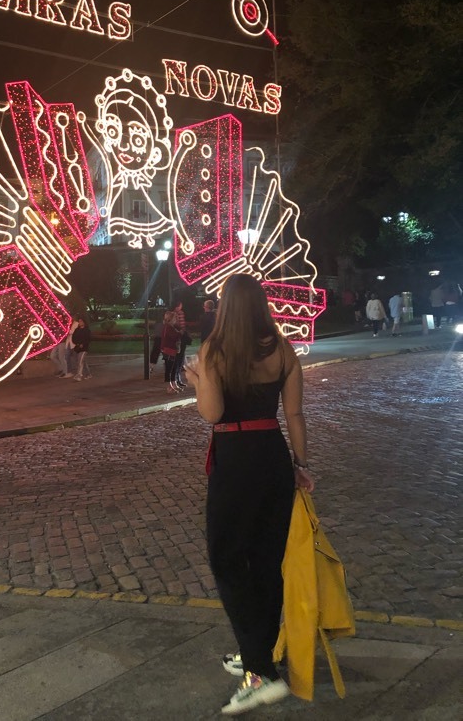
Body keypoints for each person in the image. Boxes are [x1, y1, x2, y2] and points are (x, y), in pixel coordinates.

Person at [184, 273, 314, 716]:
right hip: (273, 455)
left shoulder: (215, 351)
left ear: (226, 308)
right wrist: (301, 464)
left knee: (226, 557)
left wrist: (198, 379)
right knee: (265, 560)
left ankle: (260, 674)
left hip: (235, 457)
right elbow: (293, 413)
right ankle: (256, 647)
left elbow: (212, 413)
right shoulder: (282, 349)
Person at [160, 310, 181, 394]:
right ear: (171, 319)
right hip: (169, 350)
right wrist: (180, 333)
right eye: (174, 318)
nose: (176, 320)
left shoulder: (169, 327)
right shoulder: (168, 327)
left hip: (170, 350)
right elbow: (174, 336)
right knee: (169, 368)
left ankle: (173, 384)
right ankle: (169, 386)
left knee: (173, 367)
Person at [172, 298, 189, 388]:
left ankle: (177, 380)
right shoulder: (180, 313)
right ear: (178, 306)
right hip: (180, 337)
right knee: (179, 357)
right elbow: (182, 325)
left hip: (176, 338)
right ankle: (177, 379)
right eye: (180, 305)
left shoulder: (172, 314)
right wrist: (182, 331)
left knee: (178, 358)